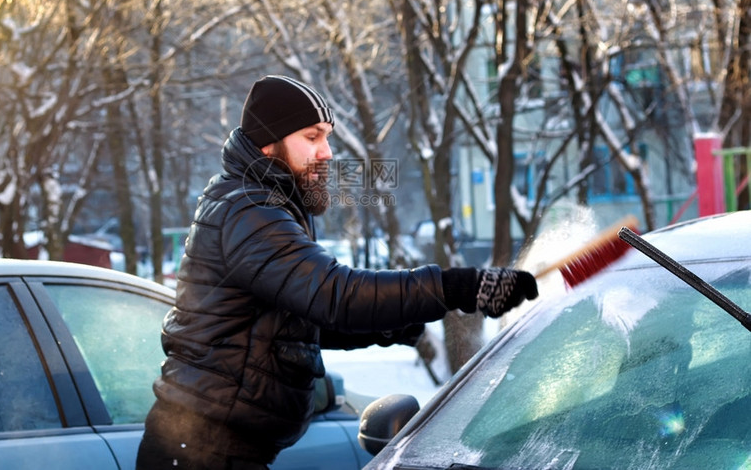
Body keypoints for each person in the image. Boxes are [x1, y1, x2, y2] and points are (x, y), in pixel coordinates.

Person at [136, 75, 538, 469]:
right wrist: (458, 287)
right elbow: (335, 295)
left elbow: (298, 321)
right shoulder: (250, 211)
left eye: (327, 136)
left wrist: (392, 324)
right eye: (312, 137)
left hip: (209, 447)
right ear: (268, 143)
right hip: (201, 452)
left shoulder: (261, 201)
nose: (327, 152)